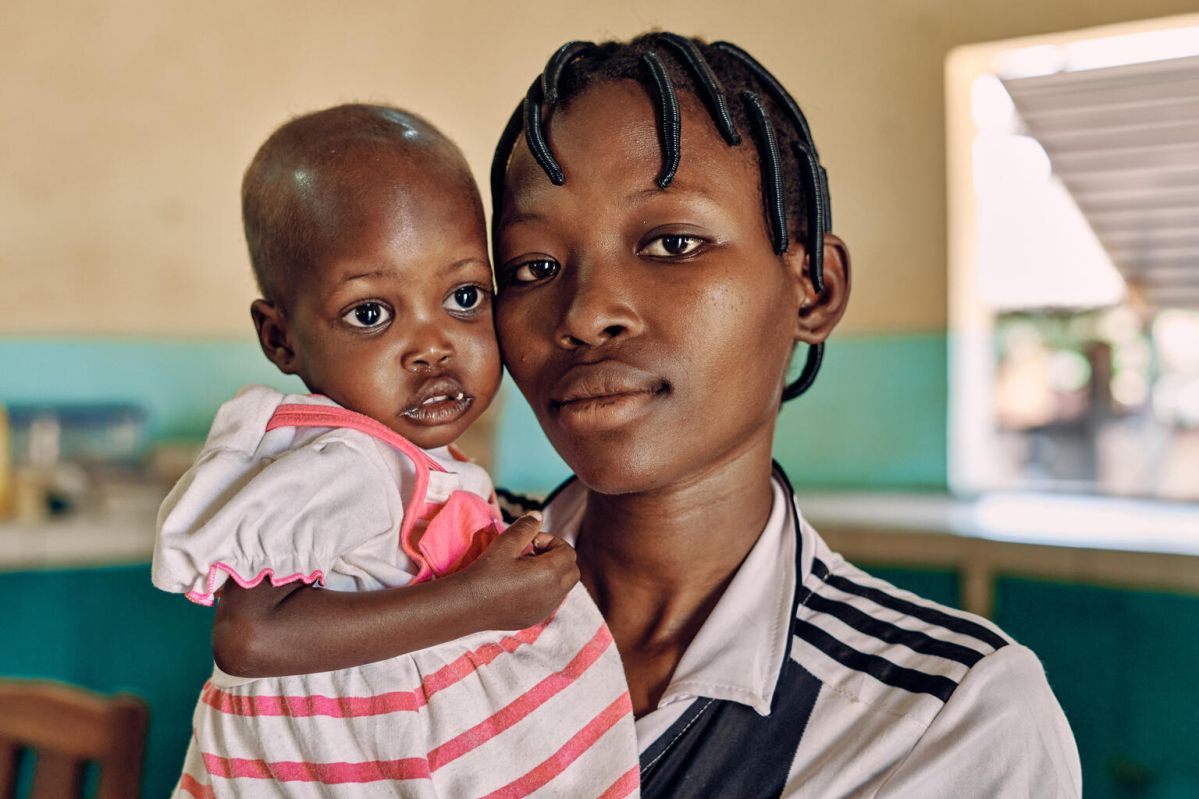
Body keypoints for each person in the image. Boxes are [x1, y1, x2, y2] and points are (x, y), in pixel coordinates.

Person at [486, 33, 1083, 797]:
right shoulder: (402, 576)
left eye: (671, 242)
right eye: (533, 267)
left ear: (814, 287)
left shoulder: (939, 717)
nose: (584, 312)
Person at [152, 104, 640, 798]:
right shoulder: (343, 464)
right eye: (370, 313)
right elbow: (249, 637)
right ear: (280, 339)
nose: (433, 346)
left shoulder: (396, 458)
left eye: (464, 296)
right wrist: (477, 600)